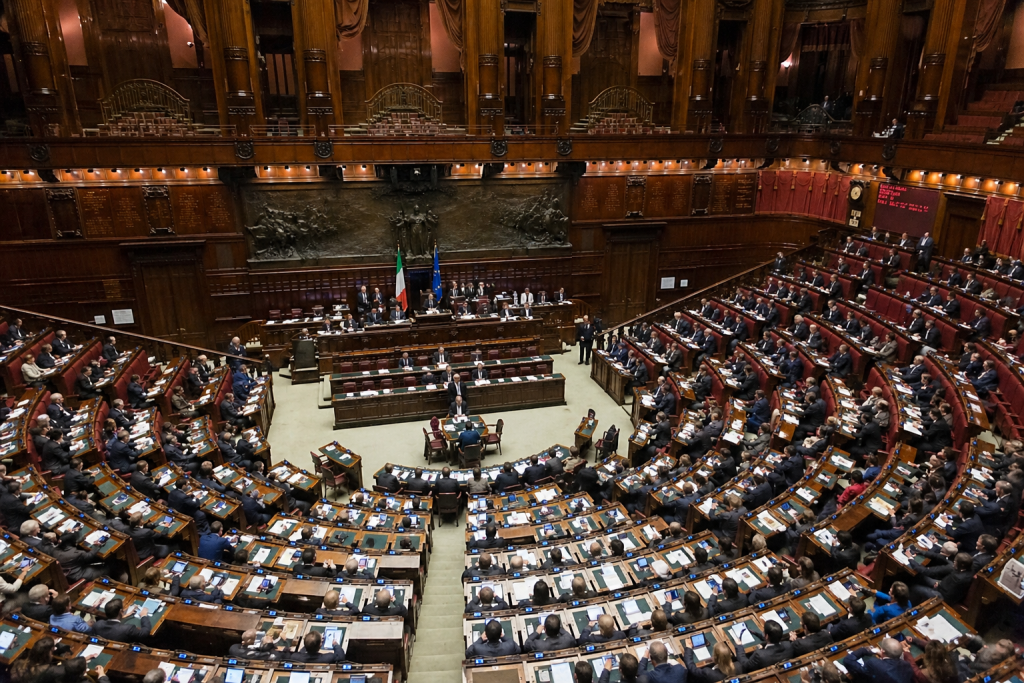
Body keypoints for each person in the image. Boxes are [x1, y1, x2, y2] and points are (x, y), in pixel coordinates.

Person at [842, 638, 913, 683]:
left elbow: (848, 660)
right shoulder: (907, 665)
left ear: (882, 650)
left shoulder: (874, 663)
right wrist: (883, 654)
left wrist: (864, 650)